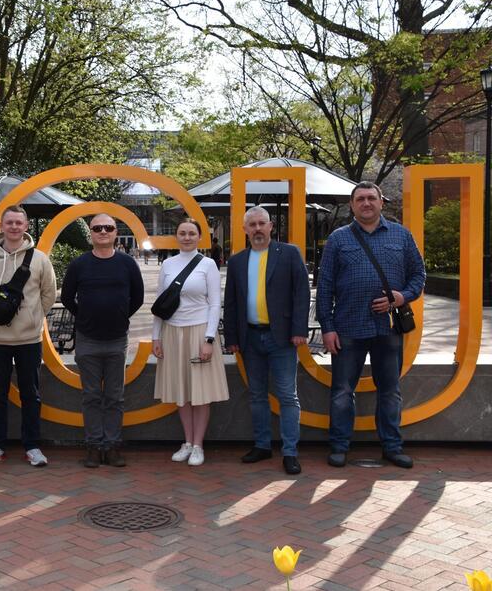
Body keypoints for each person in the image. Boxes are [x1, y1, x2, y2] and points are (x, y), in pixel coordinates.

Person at [316, 181, 425, 469]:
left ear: (381, 202)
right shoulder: (338, 239)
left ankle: (392, 447)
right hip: (348, 328)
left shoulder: (401, 236)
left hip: (387, 329)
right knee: (342, 391)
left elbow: (419, 275)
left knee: (390, 391)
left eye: (371, 198)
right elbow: (325, 286)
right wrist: (327, 326)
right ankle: (339, 446)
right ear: (352, 205)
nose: (366, 203)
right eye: (360, 199)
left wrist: (403, 296)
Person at [223, 207, 310, 475]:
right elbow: (231, 302)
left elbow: (301, 294)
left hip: (282, 338)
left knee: (287, 395)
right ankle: (262, 445)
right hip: (250, 339)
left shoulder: (290, 253)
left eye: (262, 223)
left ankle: (290, 452)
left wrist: (299, 330)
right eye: (252, 224)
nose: (258, 228)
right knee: (257, 395)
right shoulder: (237, 261)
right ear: (245, 229)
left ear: (271, 226)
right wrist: (232, 338)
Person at [0, 205, 57, 467]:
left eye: (18, 223)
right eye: (9, 222)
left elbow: (48, 294)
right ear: (1, 226)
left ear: (25, 226)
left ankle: (32, 446)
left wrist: (32, 318)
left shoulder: (39, 259)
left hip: (29, 340)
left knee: (30, 394)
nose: (13, 227)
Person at [61, 214, 144, 468]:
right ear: (91, 233)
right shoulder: (79, 264)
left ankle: (112, 446)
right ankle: (94, 446)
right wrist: (85, 317)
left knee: (115, 397)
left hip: (117, 340)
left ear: (115, 232)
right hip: (88, 340)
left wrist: (119, 317)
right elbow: (66, 298)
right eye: (98, 228)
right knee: (92, 396)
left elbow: (138, 298)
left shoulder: (127, 264)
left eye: (108, 228)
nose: (103, 232)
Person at [153, 219, 228, 467]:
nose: (186, 237)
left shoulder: (208, 265)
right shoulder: (167, 264)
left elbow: (215, 303)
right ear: (176, 237)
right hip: (173, 332)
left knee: (201, 391)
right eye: (182, 233)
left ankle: (198, 445)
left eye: (191, 233)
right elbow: (160, 305)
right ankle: (186, 442)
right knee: (181, 390)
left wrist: (209, 339)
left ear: (199, 237)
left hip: (199, 332)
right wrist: (156, 336)